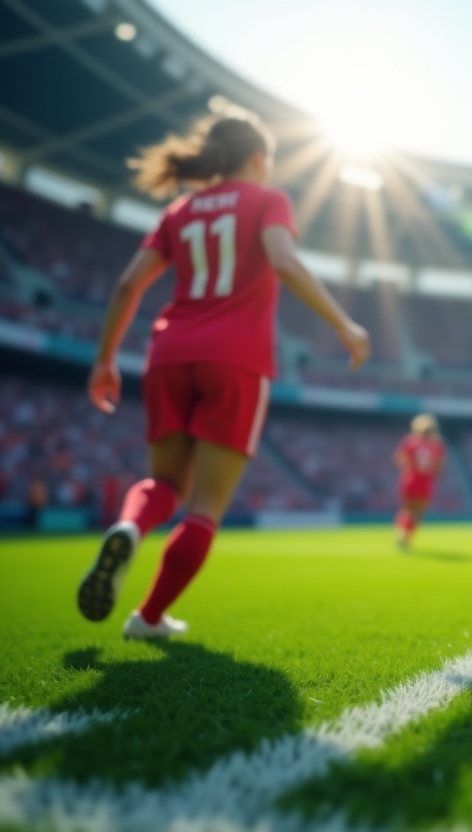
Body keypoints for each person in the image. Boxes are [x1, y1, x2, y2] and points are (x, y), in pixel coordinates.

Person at [77, 115, 369, 639]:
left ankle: (130, 525)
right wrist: (343, 323)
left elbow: (128, 285)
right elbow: (284, 260)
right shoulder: (267, 200)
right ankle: (147, 617)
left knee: (164, 484)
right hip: (236, 359)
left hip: (168, 353)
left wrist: (104, 359)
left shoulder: (179, 210)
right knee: (206, 503)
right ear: (259, 159)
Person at [393, 413, 445, 549]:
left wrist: (409, 466)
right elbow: (440, 466)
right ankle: (406, 537)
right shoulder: (436, 445)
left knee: (406, 511)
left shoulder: (410, 441)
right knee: (417, 514)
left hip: (410, 479)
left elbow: (398, 459)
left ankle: (402, 533)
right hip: (425, 482)